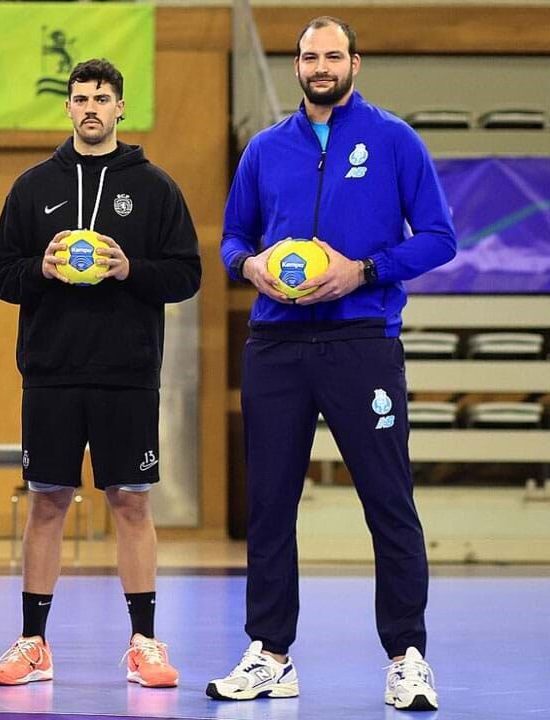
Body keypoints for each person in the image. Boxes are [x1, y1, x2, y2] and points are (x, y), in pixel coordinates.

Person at [208, 17, 455, 712]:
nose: (321, 66)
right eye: (310, 56)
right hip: (277, 347)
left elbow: (440, 238)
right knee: (268, 505)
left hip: (362, 344)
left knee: (388, 501)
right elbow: (232, 238)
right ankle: (271, 655)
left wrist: (363, 271)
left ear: (355, 62)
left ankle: (407, 657)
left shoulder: (394, 140)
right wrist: (249, 266)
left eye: (333, 55)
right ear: (296, 66)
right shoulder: (265, 149)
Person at [0, 58, 202, 688]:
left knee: (131, 502)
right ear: (68, 107)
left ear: (120, 107)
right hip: (51, 370)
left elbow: (186, 274)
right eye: (80, 98)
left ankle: (144, 643)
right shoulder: (33, 186)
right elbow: (0, 273)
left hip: (127, 371)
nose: (90, 108)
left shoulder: (156, 188)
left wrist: (131, 269)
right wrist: (42, 269)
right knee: (46, 502)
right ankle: (33, 643)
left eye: (101, 98)